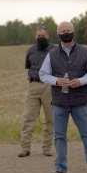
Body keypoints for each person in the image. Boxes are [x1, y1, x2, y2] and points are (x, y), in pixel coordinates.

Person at [39, 21, 87, 173]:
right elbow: (43, 74)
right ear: (58, 35)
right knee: (59, 137)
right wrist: (57, 81)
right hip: (59, 102)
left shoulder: (85, 52)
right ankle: (60, 169)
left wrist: (80, 81)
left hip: (80, 101)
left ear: (73, 32)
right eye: (63, 31)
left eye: (69, 30)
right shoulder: (51, 54)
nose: (66, 33)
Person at [18, 27, 54, 157]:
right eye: (38, 36)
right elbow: (28, 66)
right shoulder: (30, 51)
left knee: (51, 119)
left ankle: (47, 148)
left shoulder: (55, 50)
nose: (41, 37)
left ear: (48, 36)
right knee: (28, 118)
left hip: (49, 87)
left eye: (43, 35)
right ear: (35, 37)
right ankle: (25, 148)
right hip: (33, 86)